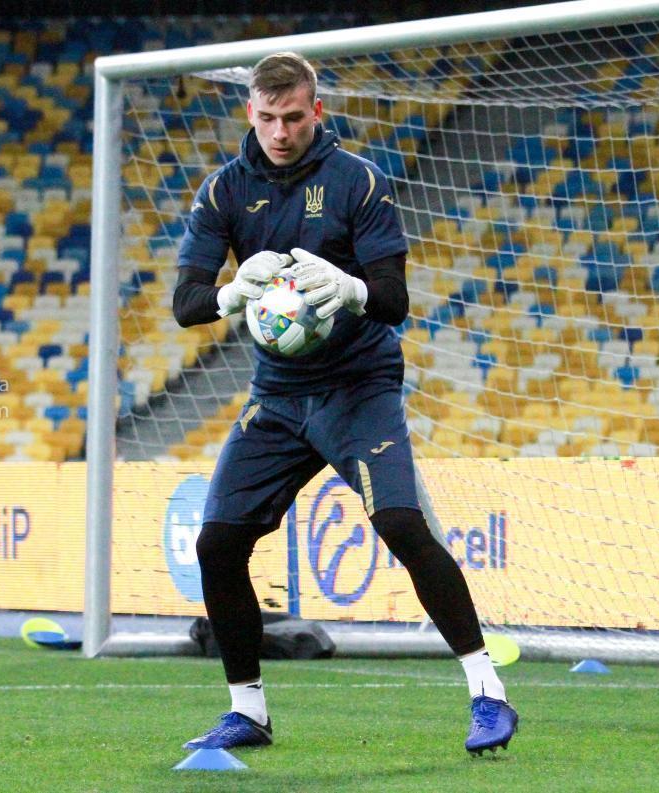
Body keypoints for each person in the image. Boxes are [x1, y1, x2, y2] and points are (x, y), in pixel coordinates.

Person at [171, 51, 517, 757]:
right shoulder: (223, 191)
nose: (281, 131)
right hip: (277, 397)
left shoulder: (358, 180)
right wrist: (232, 293)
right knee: (217, 544)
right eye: (268, 117)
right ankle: (248, 711)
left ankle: (488, 693)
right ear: (249, 112)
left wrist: (352, 287)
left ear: (316, 111)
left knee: (401, 523)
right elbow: (185, 303)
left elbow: (394, 299)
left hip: (358, 387)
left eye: (294, 117)